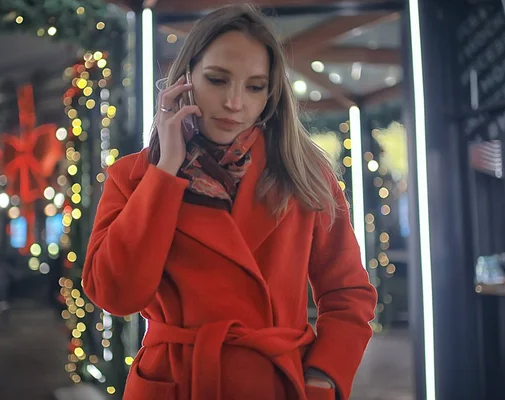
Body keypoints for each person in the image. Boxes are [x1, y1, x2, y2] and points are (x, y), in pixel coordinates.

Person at [83, 4, 376, 400]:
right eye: (218, 80)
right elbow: (117, 296)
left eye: (255, 86)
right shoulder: (133, 177)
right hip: (175, 383)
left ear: (270, 95)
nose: (235, 103)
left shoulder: (303, 174)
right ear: (186, 79)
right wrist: (166, 170)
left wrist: (322, 377)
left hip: (274, 382)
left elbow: (348, 293)